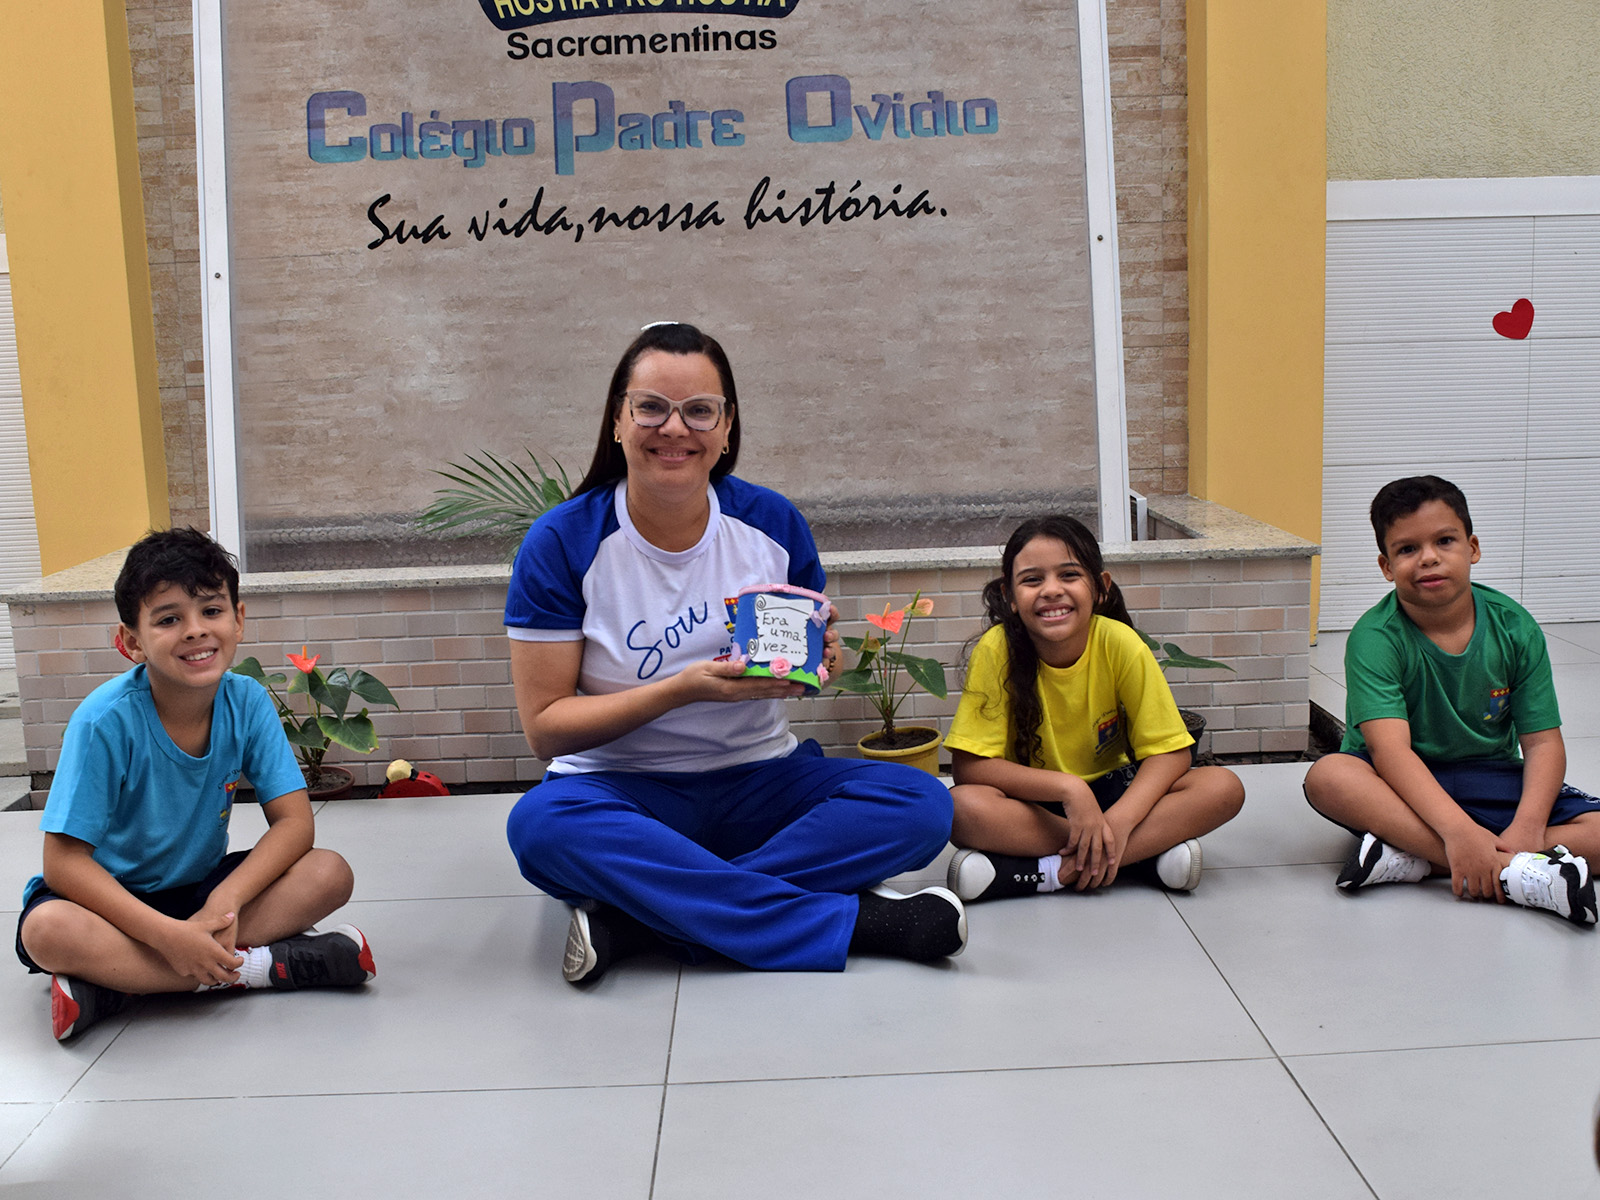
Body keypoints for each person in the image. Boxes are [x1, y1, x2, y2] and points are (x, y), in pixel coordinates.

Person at [503, 322, 964, 983]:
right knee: (542, 829)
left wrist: (822, 662)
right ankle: (851, 922)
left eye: (699, 410)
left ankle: (640, 920)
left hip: (761, 781)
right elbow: (546, 729)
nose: (674, 428)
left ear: (726, 428)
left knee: (922, 804)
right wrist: (681, 689)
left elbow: (809, 666)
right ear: (617, 420)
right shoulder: (562, 543)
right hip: (620, 791)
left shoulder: (771, 524)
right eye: (651, 407)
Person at [15, 528, 375, 1042]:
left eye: (211, 610)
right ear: (131, 642)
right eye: (168, 619)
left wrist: (222, 905)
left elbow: (295, 824)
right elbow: (64, 863)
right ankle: (260, 968)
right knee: (48, 931)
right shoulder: (104, 722)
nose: (195, 631)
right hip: (110, 904)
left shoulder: (247, 702)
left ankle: (120, 986)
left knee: (328, 873)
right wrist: (166, 935)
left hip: (202, 892)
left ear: (238, 619)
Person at [1303, 476, 1599, 924]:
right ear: (1386, 566)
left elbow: (1542, 743)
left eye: (1444, 540)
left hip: (1490, 776)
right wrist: (1460, 831)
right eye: (1407, 549)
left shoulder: (1515, 628)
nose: (1428, 558)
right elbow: (1390, 753)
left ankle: (1415, 859)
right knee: (1330, 777)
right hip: (1400, 785)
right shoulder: (1375, 638)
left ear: (1472, 548)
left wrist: (1529, 827)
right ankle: (1514, 870)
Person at [943, 515, 1244, 901]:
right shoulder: (996, 650)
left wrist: (1119, 821)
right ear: (1010, 596)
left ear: (1100, 587)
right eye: (1032, 580)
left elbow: (1171, 753)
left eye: (1069, 575)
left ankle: (1052, 872)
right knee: (961, 808)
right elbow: (970, 768)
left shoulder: (1121, 643)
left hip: (1114, 793)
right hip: (1033, 804)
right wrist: (1069, 788)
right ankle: (1142, 858)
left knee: (1222, 787)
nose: (1052, 590)